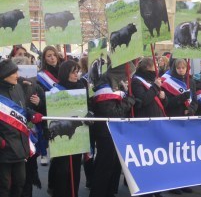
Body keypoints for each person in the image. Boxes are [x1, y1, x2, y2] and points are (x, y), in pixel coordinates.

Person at [89, 66, 135, 197]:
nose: (127, 78)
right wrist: (129, 100)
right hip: (106, 132)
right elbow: (114, 112)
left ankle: (108, 192)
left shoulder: (110, 84)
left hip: (112, 130)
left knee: (112, 165)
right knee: (105, 166)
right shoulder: (104, 88)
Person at [0, 59, 43, 197]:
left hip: (20, 145)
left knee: (20, 181)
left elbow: (22, 109)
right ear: (5, 74)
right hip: (4, 147)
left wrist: (32, 114)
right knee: (4, 185)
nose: (17, 75)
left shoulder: (18, 88)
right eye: (14, 72)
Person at [47, 60, 85, 197]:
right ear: (65, 73)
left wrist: (89, 113)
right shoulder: (55, 91)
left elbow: (85, 109)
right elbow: (51, 113)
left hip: (77, 136)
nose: (76, 75)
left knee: (75, 169)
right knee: (62, 170)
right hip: (61, 135)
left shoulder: (81, 88)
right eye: (73, 72)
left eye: (77, 72)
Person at [131, 57, 167, 197]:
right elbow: (144, 101)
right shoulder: (137, 81)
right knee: (147, 160)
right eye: (155, 65)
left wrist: (164, 97)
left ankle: (156, 189)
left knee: (157, 160)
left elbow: (163, 103)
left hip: (158, 122)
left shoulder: (153, 80)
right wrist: (155, 87)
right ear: (148, 67)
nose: (157, 68)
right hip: (145, 124)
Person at [161, 58, 197, 194]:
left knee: (185, 152)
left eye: (184, 68)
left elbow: (195, 100)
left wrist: (192, 110)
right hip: (175, 118)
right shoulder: (168, 82)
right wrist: (182, 97)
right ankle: (172, 184)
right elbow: (167, 103)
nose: (181, 70)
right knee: (174, 153)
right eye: (179, 68)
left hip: (187, 119)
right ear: (174, 69)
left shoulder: (191, 81)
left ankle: (184, 181)